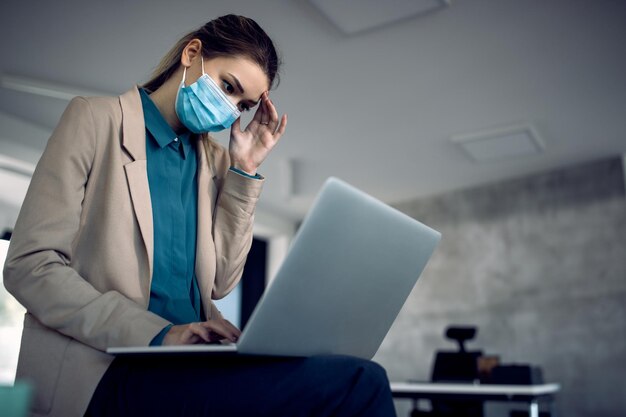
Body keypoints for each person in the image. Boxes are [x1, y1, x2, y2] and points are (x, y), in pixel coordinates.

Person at [3, 14, 396, 417]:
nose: (229, 109)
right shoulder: (95, 119)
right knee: (358, 383)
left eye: (242, 105)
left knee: (347, 377)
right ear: (192, 54)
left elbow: (222, 283)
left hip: (192, 365)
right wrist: (159, 334)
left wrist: (243, 170)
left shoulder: (217, 162)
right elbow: (29, 266)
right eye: (228, 87)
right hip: (106, 368)